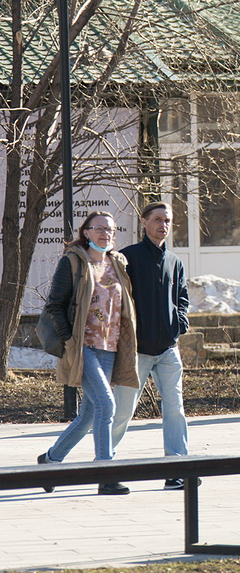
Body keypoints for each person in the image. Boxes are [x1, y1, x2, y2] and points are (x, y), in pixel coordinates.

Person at [37, 211, 139, 495]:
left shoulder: (117, 263)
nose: (106, 234)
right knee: (108, 406)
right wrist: (70, 340)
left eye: (111, 230)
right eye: (99, 229)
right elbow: (55, 305)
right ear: (87, 232)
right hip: (84, 347)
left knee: (90, 416)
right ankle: (105, 473)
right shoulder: (73, 261)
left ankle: (49, 461)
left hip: (110, 347)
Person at [110, 201, 191, 490]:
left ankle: (177, 468)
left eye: (167, 220)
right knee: (122, 411)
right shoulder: (127, 258)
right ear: (143, 222)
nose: (163, 225)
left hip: (168, 348)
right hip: (137, 351)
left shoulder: (175, 261)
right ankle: (106, 468)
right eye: (157, 219)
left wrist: (179, 323)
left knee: (175, 409)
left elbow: (182, 296)